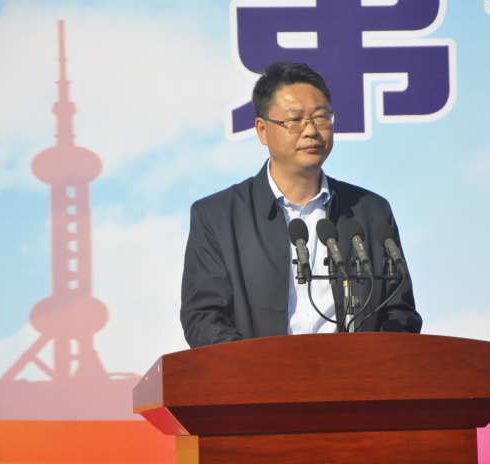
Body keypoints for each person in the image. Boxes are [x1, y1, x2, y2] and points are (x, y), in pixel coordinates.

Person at [181, 62, 422, 348]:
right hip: (258, 375)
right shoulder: (217, 217)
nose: (311, 130)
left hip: (355, 374)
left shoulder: (371, 212)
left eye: (321, 117)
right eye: (295, 119)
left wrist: (366, 364)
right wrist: (258, 369)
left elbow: (399, 312)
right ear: (262, 130)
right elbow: (204, 318)